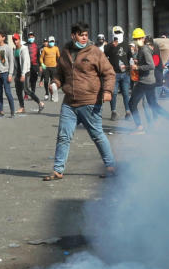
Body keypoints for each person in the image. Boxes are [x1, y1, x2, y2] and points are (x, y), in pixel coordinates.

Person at [43, 22, 116, 180]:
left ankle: (111, 167)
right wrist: (55, 83)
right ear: (73, 35)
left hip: (90, 102)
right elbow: (59, 74)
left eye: (86, 35)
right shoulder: (65, 52)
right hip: (70, 103)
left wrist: (108, 91)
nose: (84, 38)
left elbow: (109, 73)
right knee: (63, 136)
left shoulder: (95, 52)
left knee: (97, 135)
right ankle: (58, 170)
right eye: (81, 35)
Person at [128, 27, 169, 132]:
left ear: (143, 38)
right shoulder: (142, 49)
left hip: (145, 81)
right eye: (135, 39)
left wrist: (138, 67)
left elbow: (151, 65)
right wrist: (137, 63)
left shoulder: (145, 49)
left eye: (138, 39)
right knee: (153, 105)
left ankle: (139, 127)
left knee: (132, 103)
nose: (137, 41)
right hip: (149, 81)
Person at [103, 29, 132, 121]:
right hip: (113, 74)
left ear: (122, 33)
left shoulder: (126, 45)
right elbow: (104, 56)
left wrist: (129, 66)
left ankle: (128, 112)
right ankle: (113, 112)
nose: (118, 35)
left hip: (125, 74)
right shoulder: (108, 46)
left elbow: (130, 57)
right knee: (114, 93)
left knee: (126, 93)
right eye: (116, 33)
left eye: (119, 32)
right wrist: (112, 46)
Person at [12, 33, 44, 113]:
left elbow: (26, 62)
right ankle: (22, 107)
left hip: (25, 72)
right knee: (18, 90)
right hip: (18, 73)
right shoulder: (15, 50)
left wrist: (23, 74)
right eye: (13, 40)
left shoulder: (24, 49)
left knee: (26, 90)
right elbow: (15, 63)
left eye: (16, 39)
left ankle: (40, 103)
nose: (15, 41)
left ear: (19, 39)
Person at [0, 31, 16, 117]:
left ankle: (12, 111)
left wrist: (10, 74)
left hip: (6, 73)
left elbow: (11, 62)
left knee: (8, 92)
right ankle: (1, 111)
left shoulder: (8, 48)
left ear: (3, 38)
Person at [40, 35, 60, 101]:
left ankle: (52, 95)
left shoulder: (56, 48)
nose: (52, 42)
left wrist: (58, 63)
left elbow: (59, 57)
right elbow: (41, 58)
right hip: (46, 68)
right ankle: (46, 93)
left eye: (53, 41)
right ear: (48, 42)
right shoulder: (45, 49)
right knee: (46, 81)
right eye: (50, 41)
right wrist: (42, 64)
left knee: (53, 83)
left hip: (54, 67)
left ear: (54, 41)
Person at [26, 31, 41, 95]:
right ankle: (26, 94)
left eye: (32, 37)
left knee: (34, 80)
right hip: (27, 65)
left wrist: (40, 66)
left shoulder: (37, 46)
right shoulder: (25, 46)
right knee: (26, 80)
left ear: (34, 37)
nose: (31, 38)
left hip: (35, 65)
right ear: (28, 38)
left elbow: (38, 57)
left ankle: (33, 92)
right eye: (30, 37)